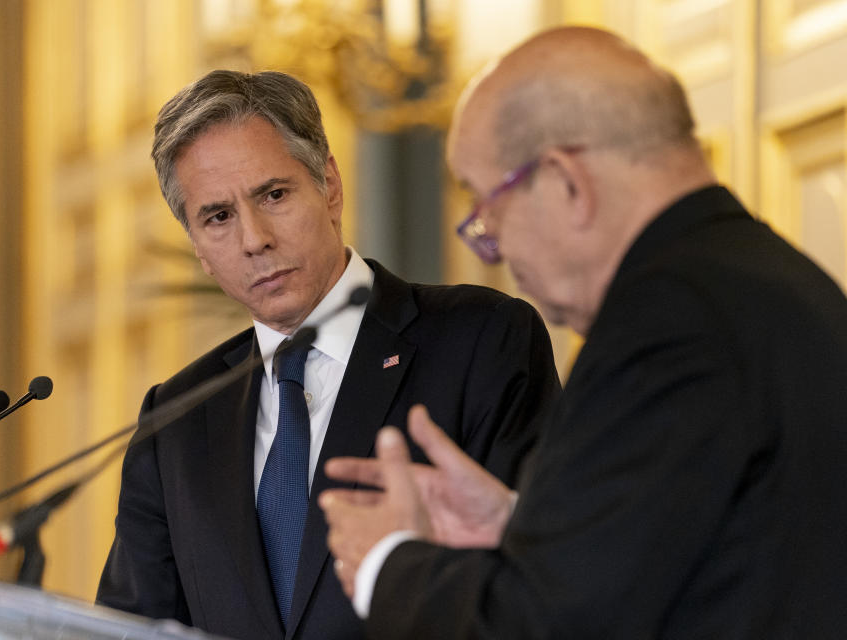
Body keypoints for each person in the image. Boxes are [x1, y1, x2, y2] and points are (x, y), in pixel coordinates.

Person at [320, 26, 847, 639]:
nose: (492, 253)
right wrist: (518, 526)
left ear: (567, 183)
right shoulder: (776, 279)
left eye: (489, 211)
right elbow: (708, 543)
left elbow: (552, 628)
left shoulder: (663, 323)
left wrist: (387, 561)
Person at [95, 70, 561, 640]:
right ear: (197, 246)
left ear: (330, 185)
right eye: (218, 216)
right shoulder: (176, 418)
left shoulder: (481, 340)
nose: (254, 238)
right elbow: (127, 627)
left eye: (274, 194)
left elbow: (546, 578)